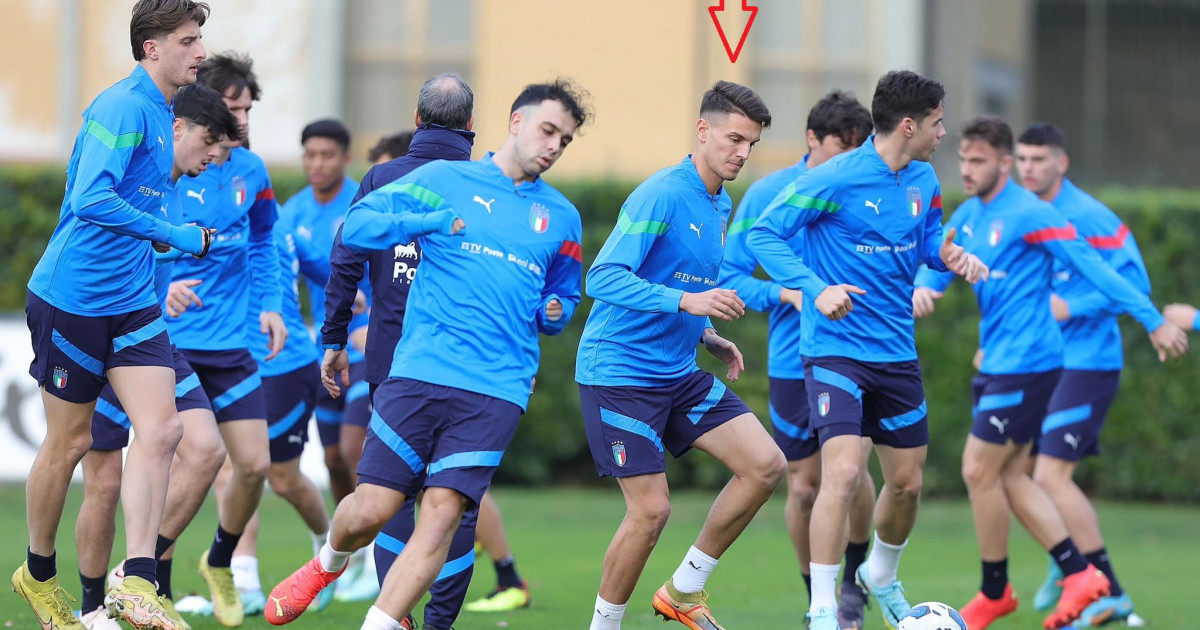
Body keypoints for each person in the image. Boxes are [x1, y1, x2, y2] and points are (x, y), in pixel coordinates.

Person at [267, 79, 589, 630]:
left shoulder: (561, 215)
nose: (555, 145)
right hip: (419, 372)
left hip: (497, 389)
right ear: (515, 122)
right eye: (548, 130)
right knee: (373, 508)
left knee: (442, 515)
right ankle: (331, 560)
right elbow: (358, 227)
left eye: (566, 139)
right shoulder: (444, 179)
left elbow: (564, 288)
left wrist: (555, 309)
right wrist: (426, 220)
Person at [912, 116, 1186, 630]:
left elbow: (1098, 269)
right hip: (999, 361)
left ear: (1004, 163)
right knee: (1015, 476)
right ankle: (1078, 573)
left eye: (978, 161)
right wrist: (928, 285)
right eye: (963, 159)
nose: (966, 170)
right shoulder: (970, 213)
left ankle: (1002, 589)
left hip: (1032, 364)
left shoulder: (1034, 214)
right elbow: (941, 256)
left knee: (979, 469)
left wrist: (1151, 319)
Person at [746, 70, 988, 630]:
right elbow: (764, 234)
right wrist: (816, 288)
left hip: (895, 352)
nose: (943, 132)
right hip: (833, 350)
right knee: (844, 472)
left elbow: (927, 241)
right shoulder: (834, 177)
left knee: (907, 483)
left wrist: (948, 257)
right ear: (910, 124)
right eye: (937, 122)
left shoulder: (925, 180)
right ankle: (825, 608)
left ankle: (881, 573)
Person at [15, 2, 214, 629]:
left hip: (131, 301)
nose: (200, 53)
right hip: (72, 297)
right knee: (70, 443)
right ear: (151, 49)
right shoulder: (122, 106)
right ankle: (38, 574)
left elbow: (125, 204)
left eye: (200, 40)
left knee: (163, 432)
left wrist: (159, 240)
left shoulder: (164, 112)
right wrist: (173, 235)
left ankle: (137, 581)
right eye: (188, 41)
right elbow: (91, 197)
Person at [576, 80, 783, 630]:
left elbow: (682, 280)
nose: (742, 152)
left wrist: (705, 331)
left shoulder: (721, 203)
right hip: (619, 372)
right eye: (734, 139)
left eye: (751, 144)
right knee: (651, 511)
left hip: (678, 371)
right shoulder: (661, 193)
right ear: (702, 130)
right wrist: (689, 301)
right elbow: (604, 277)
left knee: (765, 465)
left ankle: (684, 590)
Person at [75, 83, 238, 630]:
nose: (212, 157)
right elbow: (94, 227)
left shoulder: (177, 191)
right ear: (176, 130)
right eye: (208, 141)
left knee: (206, 448)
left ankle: (133, 573)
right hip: (102, 334)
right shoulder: (131, 177)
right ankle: (91, 606)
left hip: (150, 338)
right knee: (101, 480)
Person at [718, 90, 876, 630]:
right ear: (812, 140)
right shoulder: (768, 194)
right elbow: (729, 274)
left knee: (851, 474)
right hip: (793, 359)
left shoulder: (868, 187)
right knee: (806, 486)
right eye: (842, 148)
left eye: (861, 149)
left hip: (859, 353)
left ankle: (853, 583)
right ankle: (819, 598)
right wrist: (787, 294)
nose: (852, 160)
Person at [165, 51, 286, 627]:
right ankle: (149, 578)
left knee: (255, 466)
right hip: (172, 344)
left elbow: (264, 239)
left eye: (247, 110)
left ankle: (220, 561)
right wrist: (164, 288)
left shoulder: (252, 171)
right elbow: (134, 239)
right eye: (231, 111)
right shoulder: (167, 168)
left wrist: (270, 306)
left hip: (233, 342)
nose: (241, 124)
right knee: (186, 462)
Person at [1014, 123, 1152, 626]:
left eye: (1038, 159)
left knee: (1050, 476)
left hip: (1087, 364)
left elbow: (1135, 284)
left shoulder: (1091, 216)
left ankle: (1109, 592)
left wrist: (1069, 307)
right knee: (1014, 475)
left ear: (1061, 163)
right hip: (1037, 367)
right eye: (1022, 159)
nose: (1028, 168)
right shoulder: (1018, 215)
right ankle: (1065, 559)